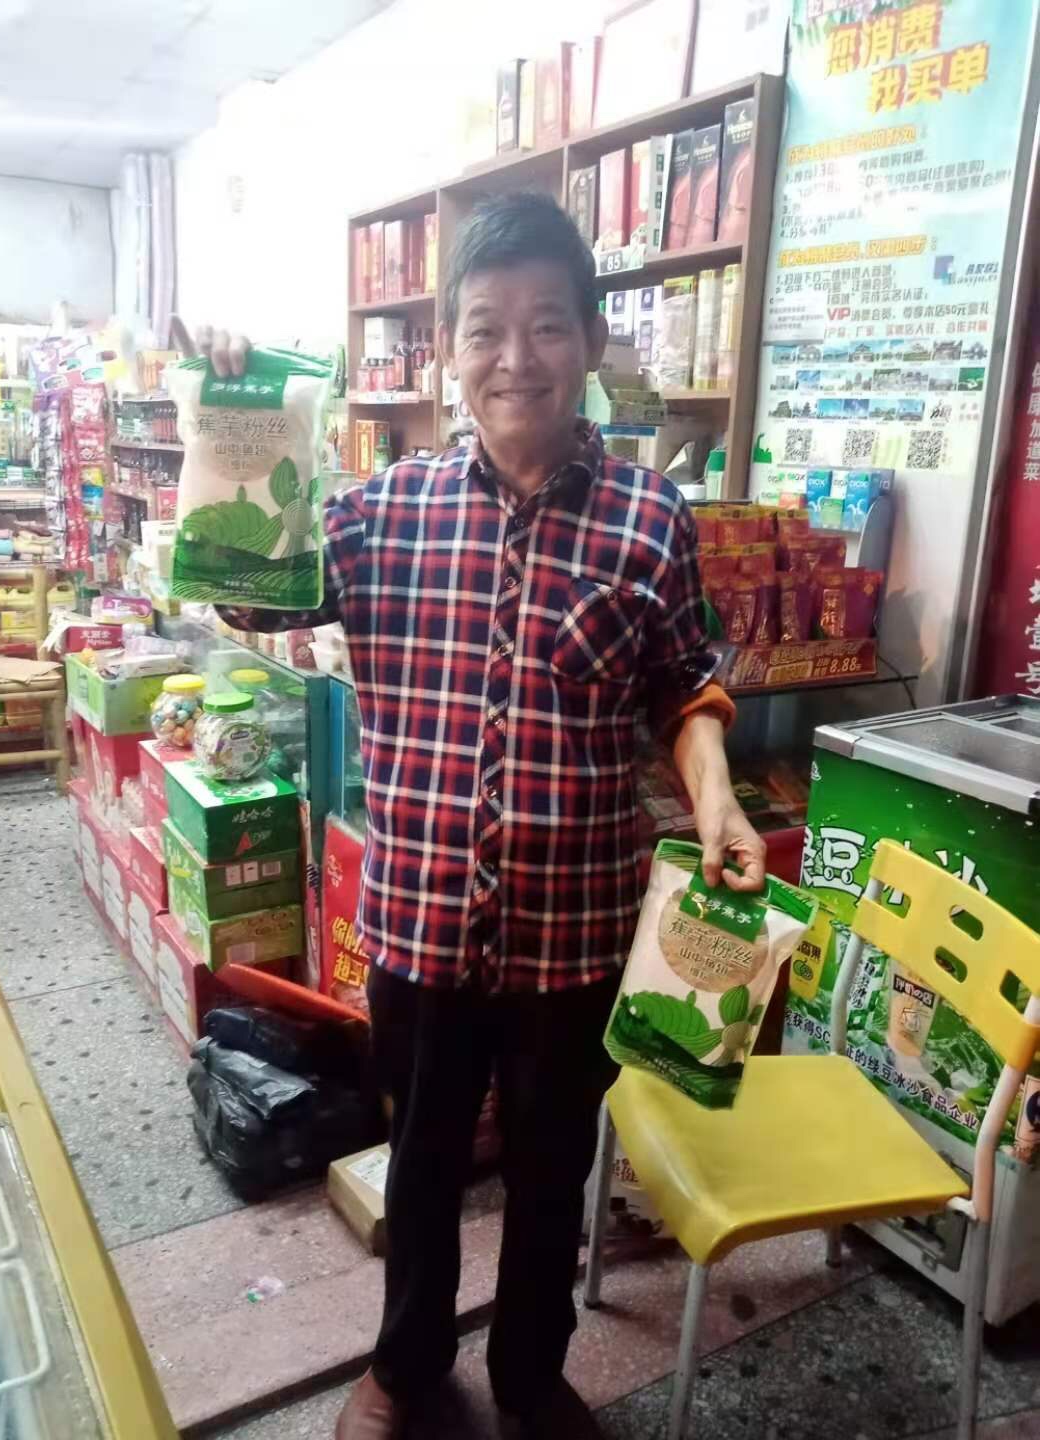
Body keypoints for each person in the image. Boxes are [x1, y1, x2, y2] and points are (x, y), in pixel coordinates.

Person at [198, 191, 765, 1440]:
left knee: (554, 1167)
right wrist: (239, 412)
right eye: (486, 329)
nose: (518, 357)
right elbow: (245, 588)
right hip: (424, 923)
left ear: (592, 340)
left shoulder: (650, 520)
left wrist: (717, 792)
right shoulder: (378, 512)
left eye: (548, 324)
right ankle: (406, 1367)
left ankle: (528, 1373)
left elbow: (684, 686)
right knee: (425, 1155)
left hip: (577, 928)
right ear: (448, 349)